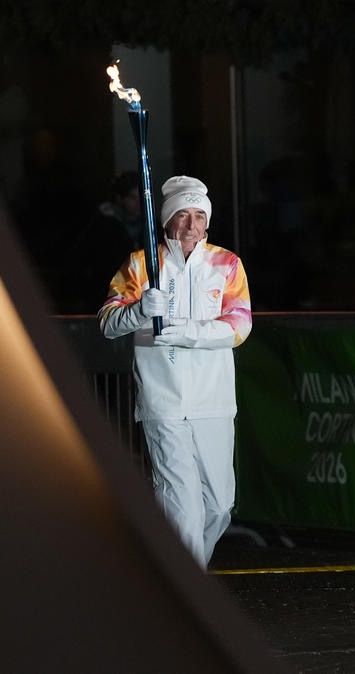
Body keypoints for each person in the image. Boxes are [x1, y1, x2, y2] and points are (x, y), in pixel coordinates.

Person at [98, 176, 252, 569]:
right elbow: (108, 323)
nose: (191, 225)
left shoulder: (227, 264)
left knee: (218, 506)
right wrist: (138, 311)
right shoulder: (140, 264)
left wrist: (185, 333)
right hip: (163, 402)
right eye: (182, 215)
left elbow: (239, 327)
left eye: (199, 215)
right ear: (167, 220)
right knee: (183, 509)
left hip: (213, 402)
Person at [60, 171, 144, 312]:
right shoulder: (101, 227)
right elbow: (78, 262)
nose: (138, 203)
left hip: (140, 299)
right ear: (120, 198)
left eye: (141, 197)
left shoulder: (151, 226)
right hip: (107, 301)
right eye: (132, 198)